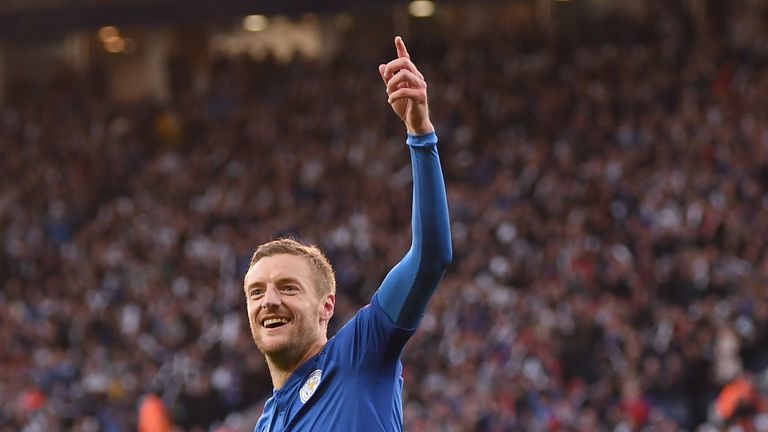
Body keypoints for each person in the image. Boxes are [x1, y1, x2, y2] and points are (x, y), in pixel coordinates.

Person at [243, 35, 452, 431]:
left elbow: (430, 259)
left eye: (288, 287)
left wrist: (421, 135)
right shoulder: (265, 424)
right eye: (256, 292)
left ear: (326, 307)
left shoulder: (360, 353)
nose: (268, 300)